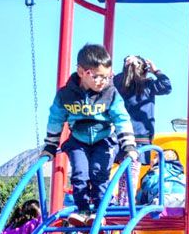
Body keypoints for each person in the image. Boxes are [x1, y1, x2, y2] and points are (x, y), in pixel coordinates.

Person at [41, 44, 137, 222]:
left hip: (104, 138)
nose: (102, 81)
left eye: (106, 77)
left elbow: (121, 118)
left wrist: (128, 144)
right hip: (79, 139)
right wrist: (50, 146)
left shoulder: (110, 93)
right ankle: (83, 210)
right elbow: (55, 118)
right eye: (97, 77)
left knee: (99, 172)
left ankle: (100, 210)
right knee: (80, 174)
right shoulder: (66, 95)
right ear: (81, 72)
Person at [113, 55, 172, 204]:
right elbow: (166, 85)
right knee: (131, 172)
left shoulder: (118, 83)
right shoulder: (147, 84)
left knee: (122, 170)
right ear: (144, 70)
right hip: (140, 137)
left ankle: (118, 201)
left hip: (119, 135)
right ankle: (126, 204)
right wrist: (155, 70)